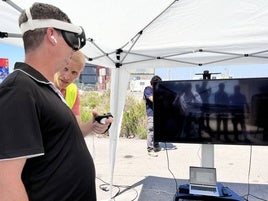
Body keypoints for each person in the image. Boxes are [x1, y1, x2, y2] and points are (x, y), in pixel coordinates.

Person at [0, 3, 112, 201]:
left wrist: (92, 126)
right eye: (71, 39)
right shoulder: (19, 88)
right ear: (52, 35)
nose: (74, 49)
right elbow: (5, 181)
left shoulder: (42, 89)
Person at [54, 50, 100, 136]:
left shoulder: (73, 91)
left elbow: (77, 132)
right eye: (65, 69)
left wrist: (93, 124)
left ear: (79, 75)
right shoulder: (40, 85)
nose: (67, 77)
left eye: (74, 72)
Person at [144, 75, 162, 157]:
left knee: (157, 130)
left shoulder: (157, 91)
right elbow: (153, 99)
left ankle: (156, 145)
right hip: (151, 114)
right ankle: (150, 149)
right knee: (151, 131)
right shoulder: (148, 89)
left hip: (158, 113)